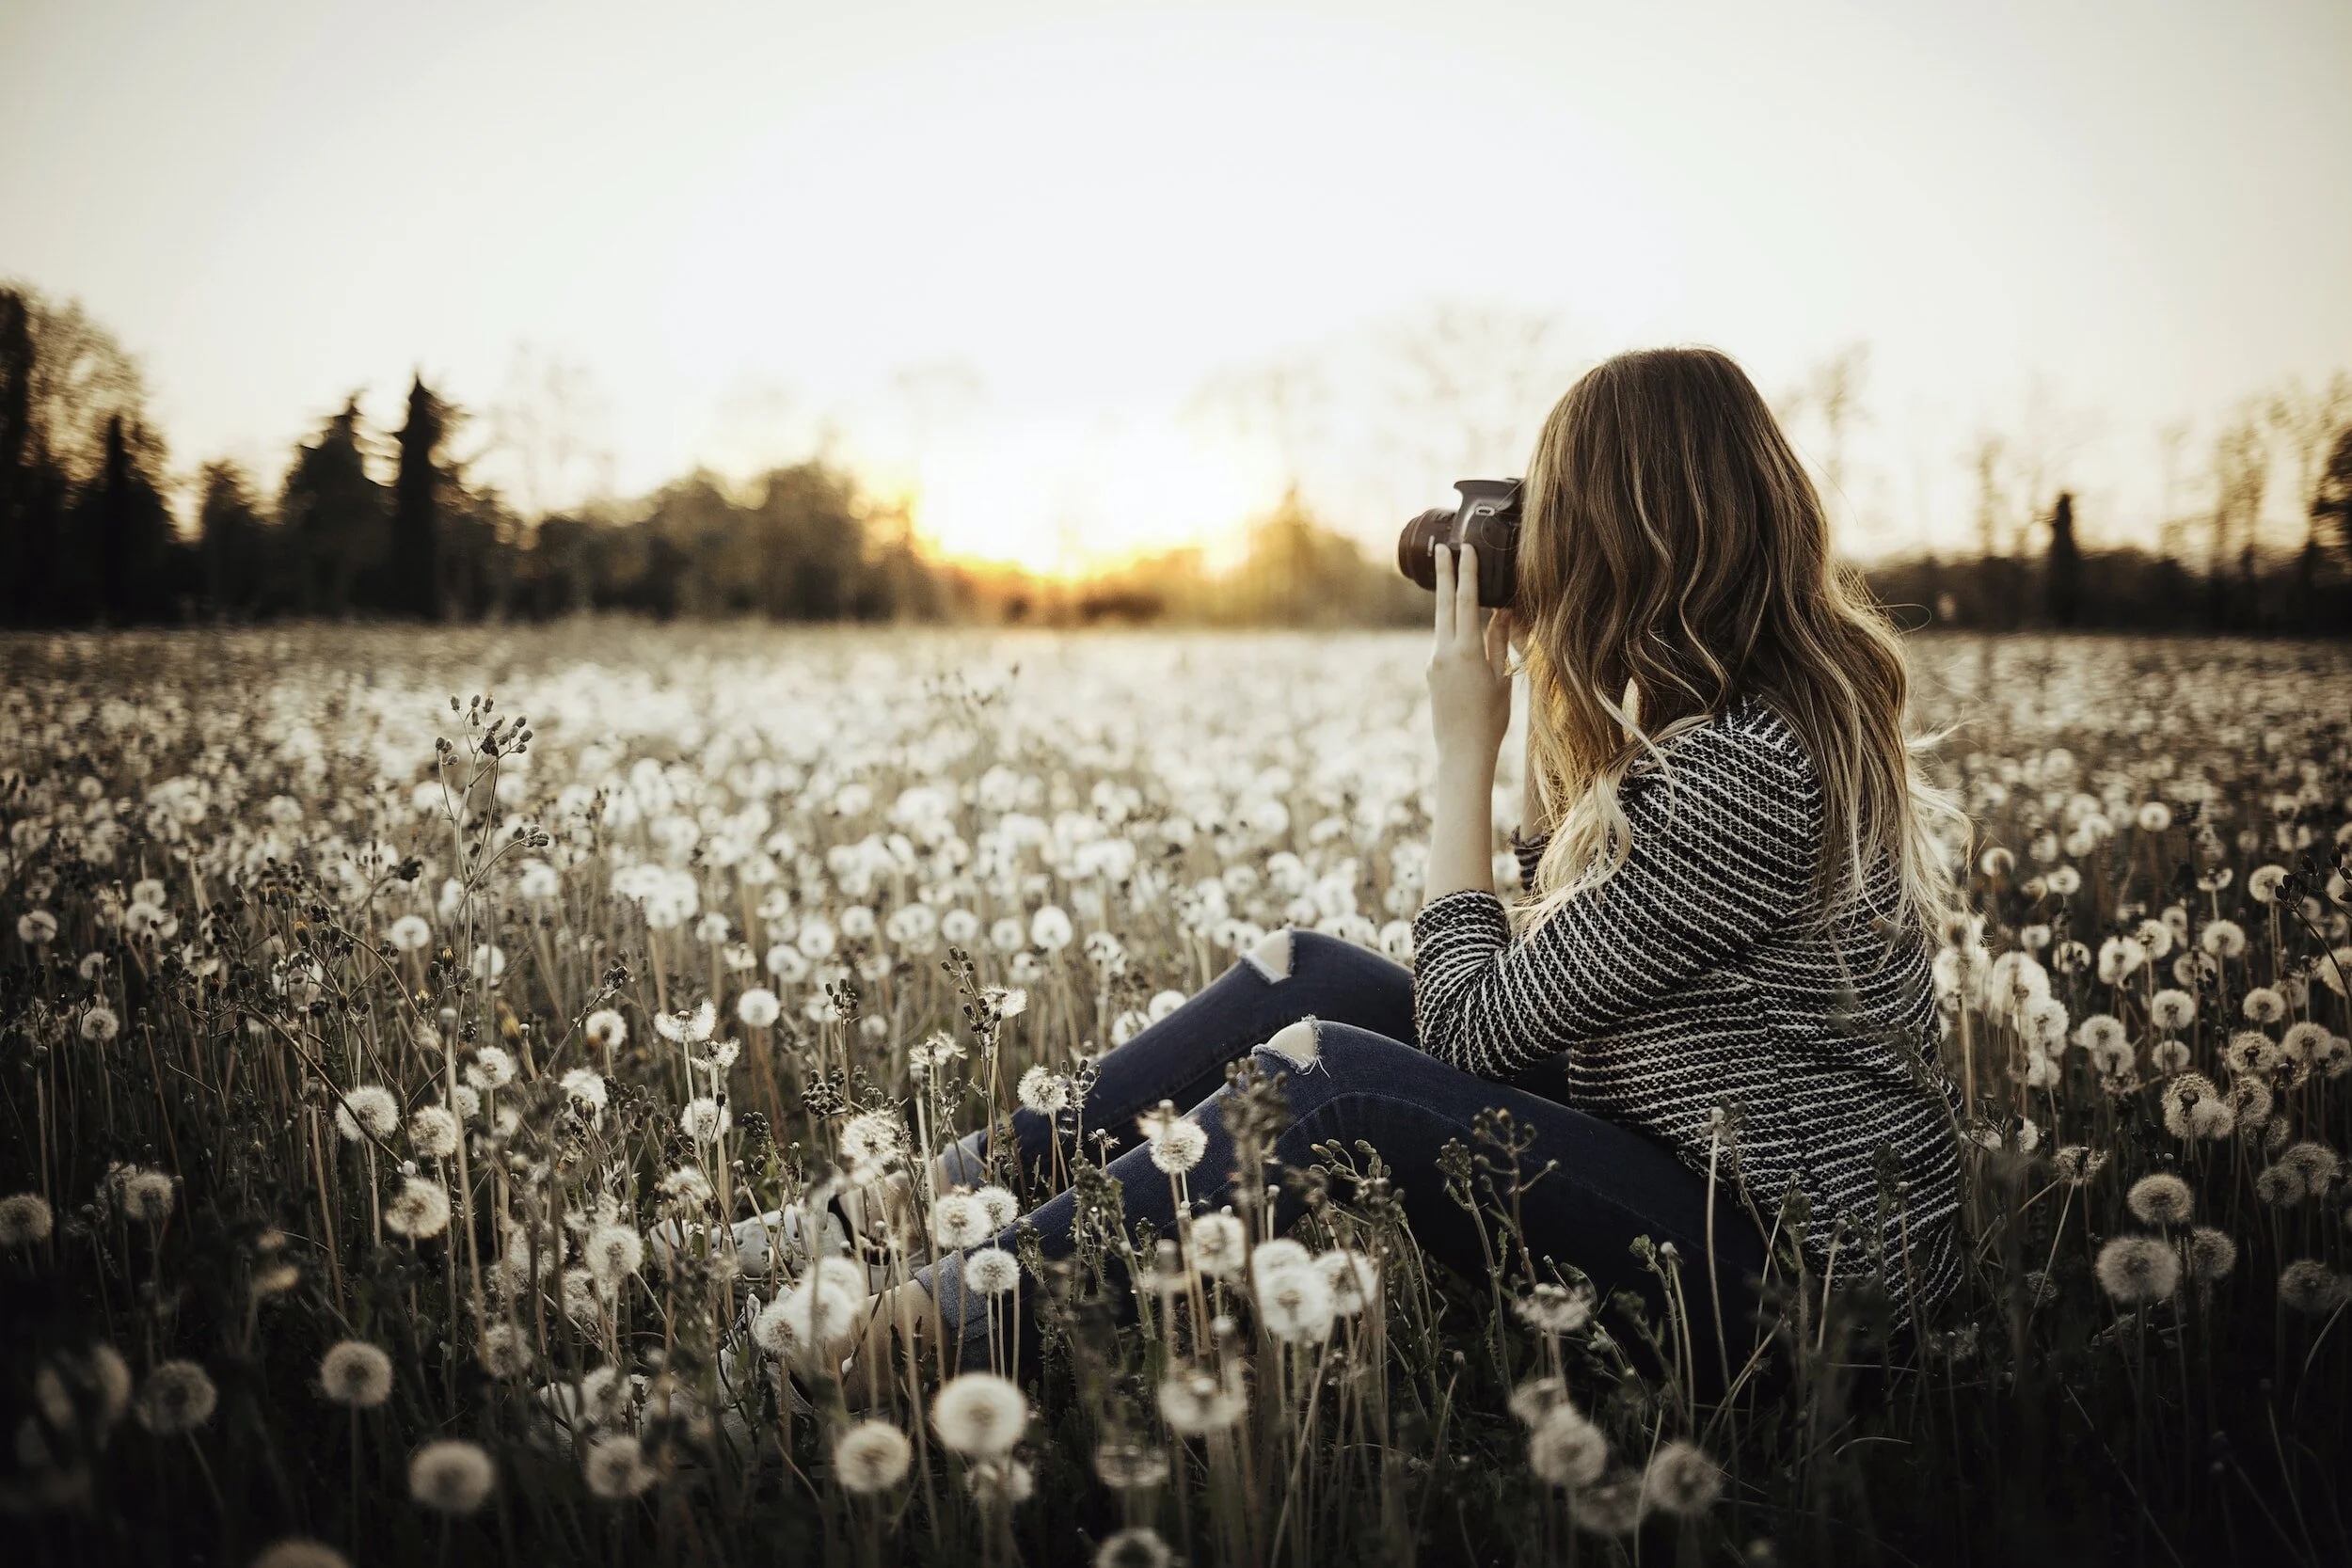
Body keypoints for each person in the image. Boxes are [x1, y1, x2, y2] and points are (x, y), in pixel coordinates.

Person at [838, 346, 1964, 1388]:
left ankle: (914, 1339)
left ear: (1622, 537)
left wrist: (1460, 747)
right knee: (1306, 974)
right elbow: (1559, 915)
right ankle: (892, 1210)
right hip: (1707, 1187)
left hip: (1803, 1292)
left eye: (1558, 511)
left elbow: (1474, 1026)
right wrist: (1542, 682)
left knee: (1332, 1076)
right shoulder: (1750, 726)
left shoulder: (1745, 774)